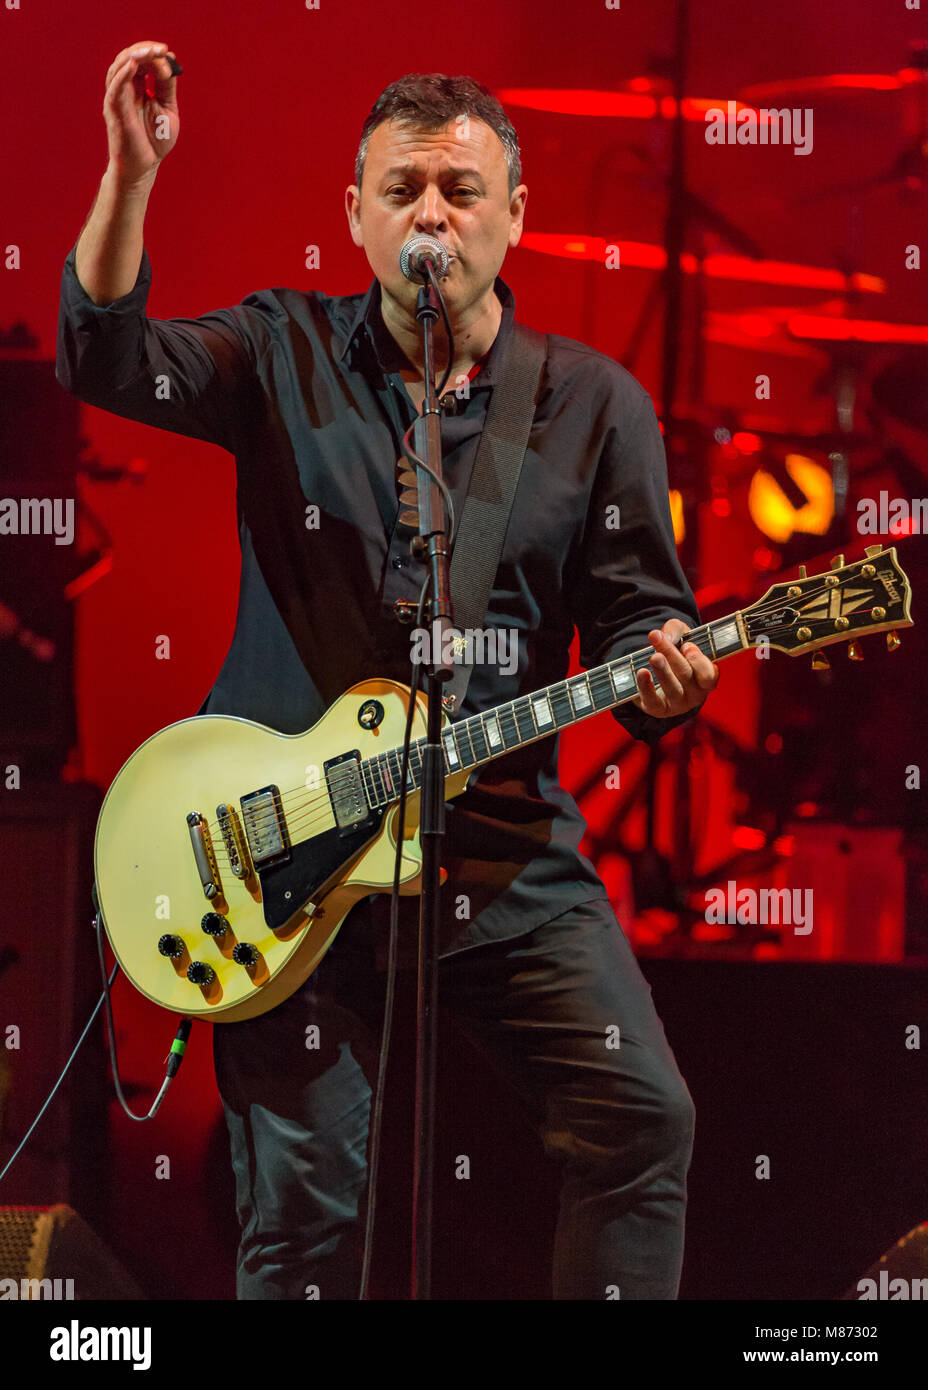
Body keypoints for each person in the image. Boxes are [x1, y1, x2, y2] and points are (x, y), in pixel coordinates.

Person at [56, 40, 720, 1300]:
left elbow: (642, 618)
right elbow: (102, 356)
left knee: (643, 1122)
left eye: (461, 191)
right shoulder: (278, 350)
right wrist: (131, 179)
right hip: (288, 857)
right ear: (352, 215)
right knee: (305, 1220)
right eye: (402, 188)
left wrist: (663, 672)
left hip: (501, 850)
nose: (431, 214)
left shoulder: (592, 406)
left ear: (514, 217)